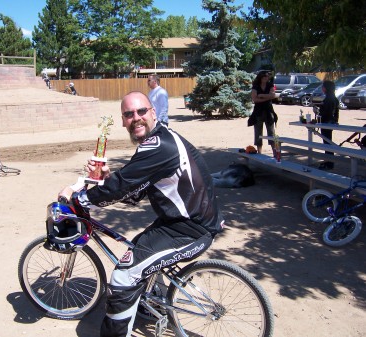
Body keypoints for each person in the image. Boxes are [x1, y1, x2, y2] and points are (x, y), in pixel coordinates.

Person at [58, 91, 224, 337]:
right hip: (181, 222)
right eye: (128, 114)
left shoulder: (158, 146)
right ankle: (153, 302)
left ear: (153, 113)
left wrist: (77, 198)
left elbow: (123, 186)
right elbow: (134, 189)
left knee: (123, 276)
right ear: (123, 121)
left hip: (191, 230)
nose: (136, 118)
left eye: (141, 111)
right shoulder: (160, 140)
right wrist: (106, 177)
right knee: (138, 248)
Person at [249, 71, 278, 154]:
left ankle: (275, 152)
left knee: (271, 132)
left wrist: (261, 95)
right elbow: (255, 99)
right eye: (264, 77)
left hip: (269, 111)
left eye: (267, 77)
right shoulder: (256, 86)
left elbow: (273, 95)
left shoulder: (270, 85)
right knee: (258, 133)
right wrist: (267, 97)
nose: (266, 78)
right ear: (260, 78)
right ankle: (259, 153)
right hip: (258, 112)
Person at [314, 80, 339, 170]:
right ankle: (329, 161)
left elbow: (326, 113)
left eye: (323, 86)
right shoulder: (333, 98)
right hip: (330, 122)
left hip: (326, 123)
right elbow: (336, 113)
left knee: (327, 143)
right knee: (328, 142)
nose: (322, 88)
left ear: (326, 88)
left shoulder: (328, 99)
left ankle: (329, 163)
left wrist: (318, 113)